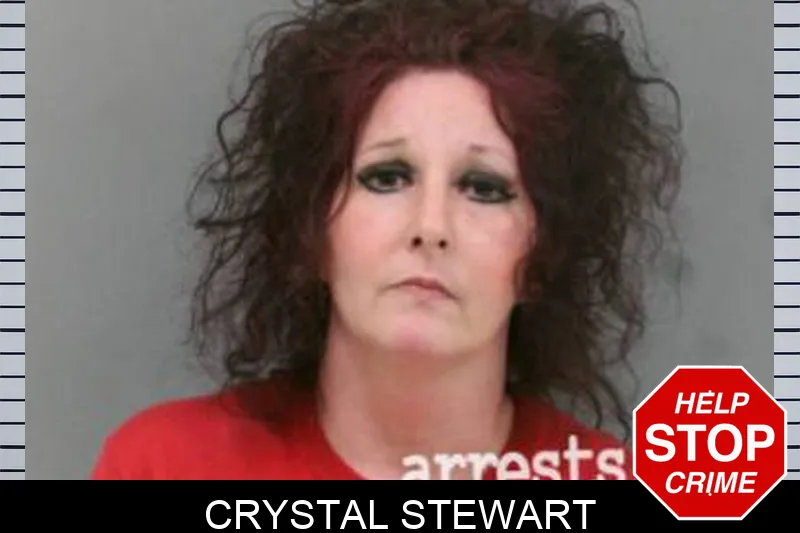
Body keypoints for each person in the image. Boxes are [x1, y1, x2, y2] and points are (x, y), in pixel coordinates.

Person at [91, 0, 681, 480]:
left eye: (483, 188)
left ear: (544, 257)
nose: (431, 226)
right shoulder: (164, 466)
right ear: (311, 231)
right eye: (387, 178)